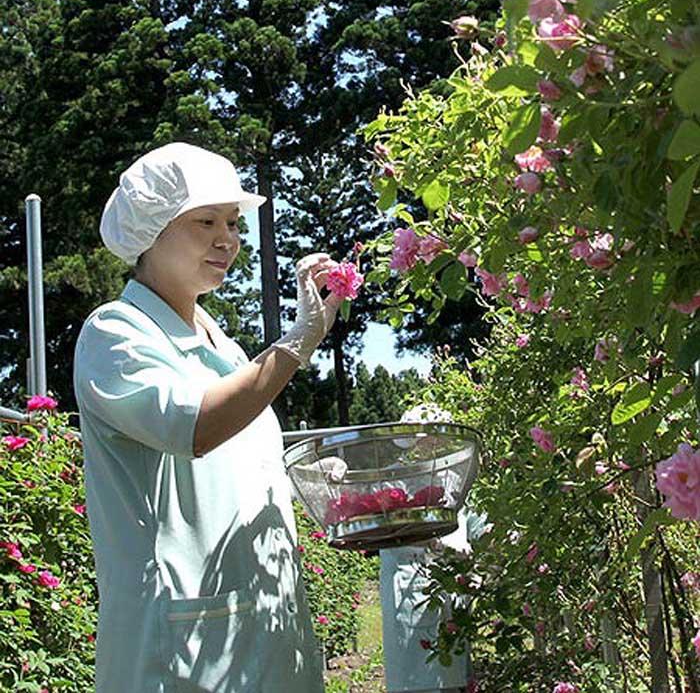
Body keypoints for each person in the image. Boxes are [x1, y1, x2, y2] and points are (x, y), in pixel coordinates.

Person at [73, 142, 342, 692]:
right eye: (205, 221)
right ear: (152, 231)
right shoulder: (115, 334)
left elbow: (241, 471)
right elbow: (196, 426)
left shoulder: (225, 347)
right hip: (182, 646)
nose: (227, 239)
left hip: (264, 636)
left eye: (234, 222)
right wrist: (299, 340)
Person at [379, 403, 487, 693]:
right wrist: (433, 542)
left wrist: (483, 556)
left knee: (451, 668)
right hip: (409, 582)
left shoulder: (455, 473)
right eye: (428, 437)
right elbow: (389, 530)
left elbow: (474, 520)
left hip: (452, 582)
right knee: (415, 669)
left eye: (440, 437)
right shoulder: (393, 477)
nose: (436, 443)